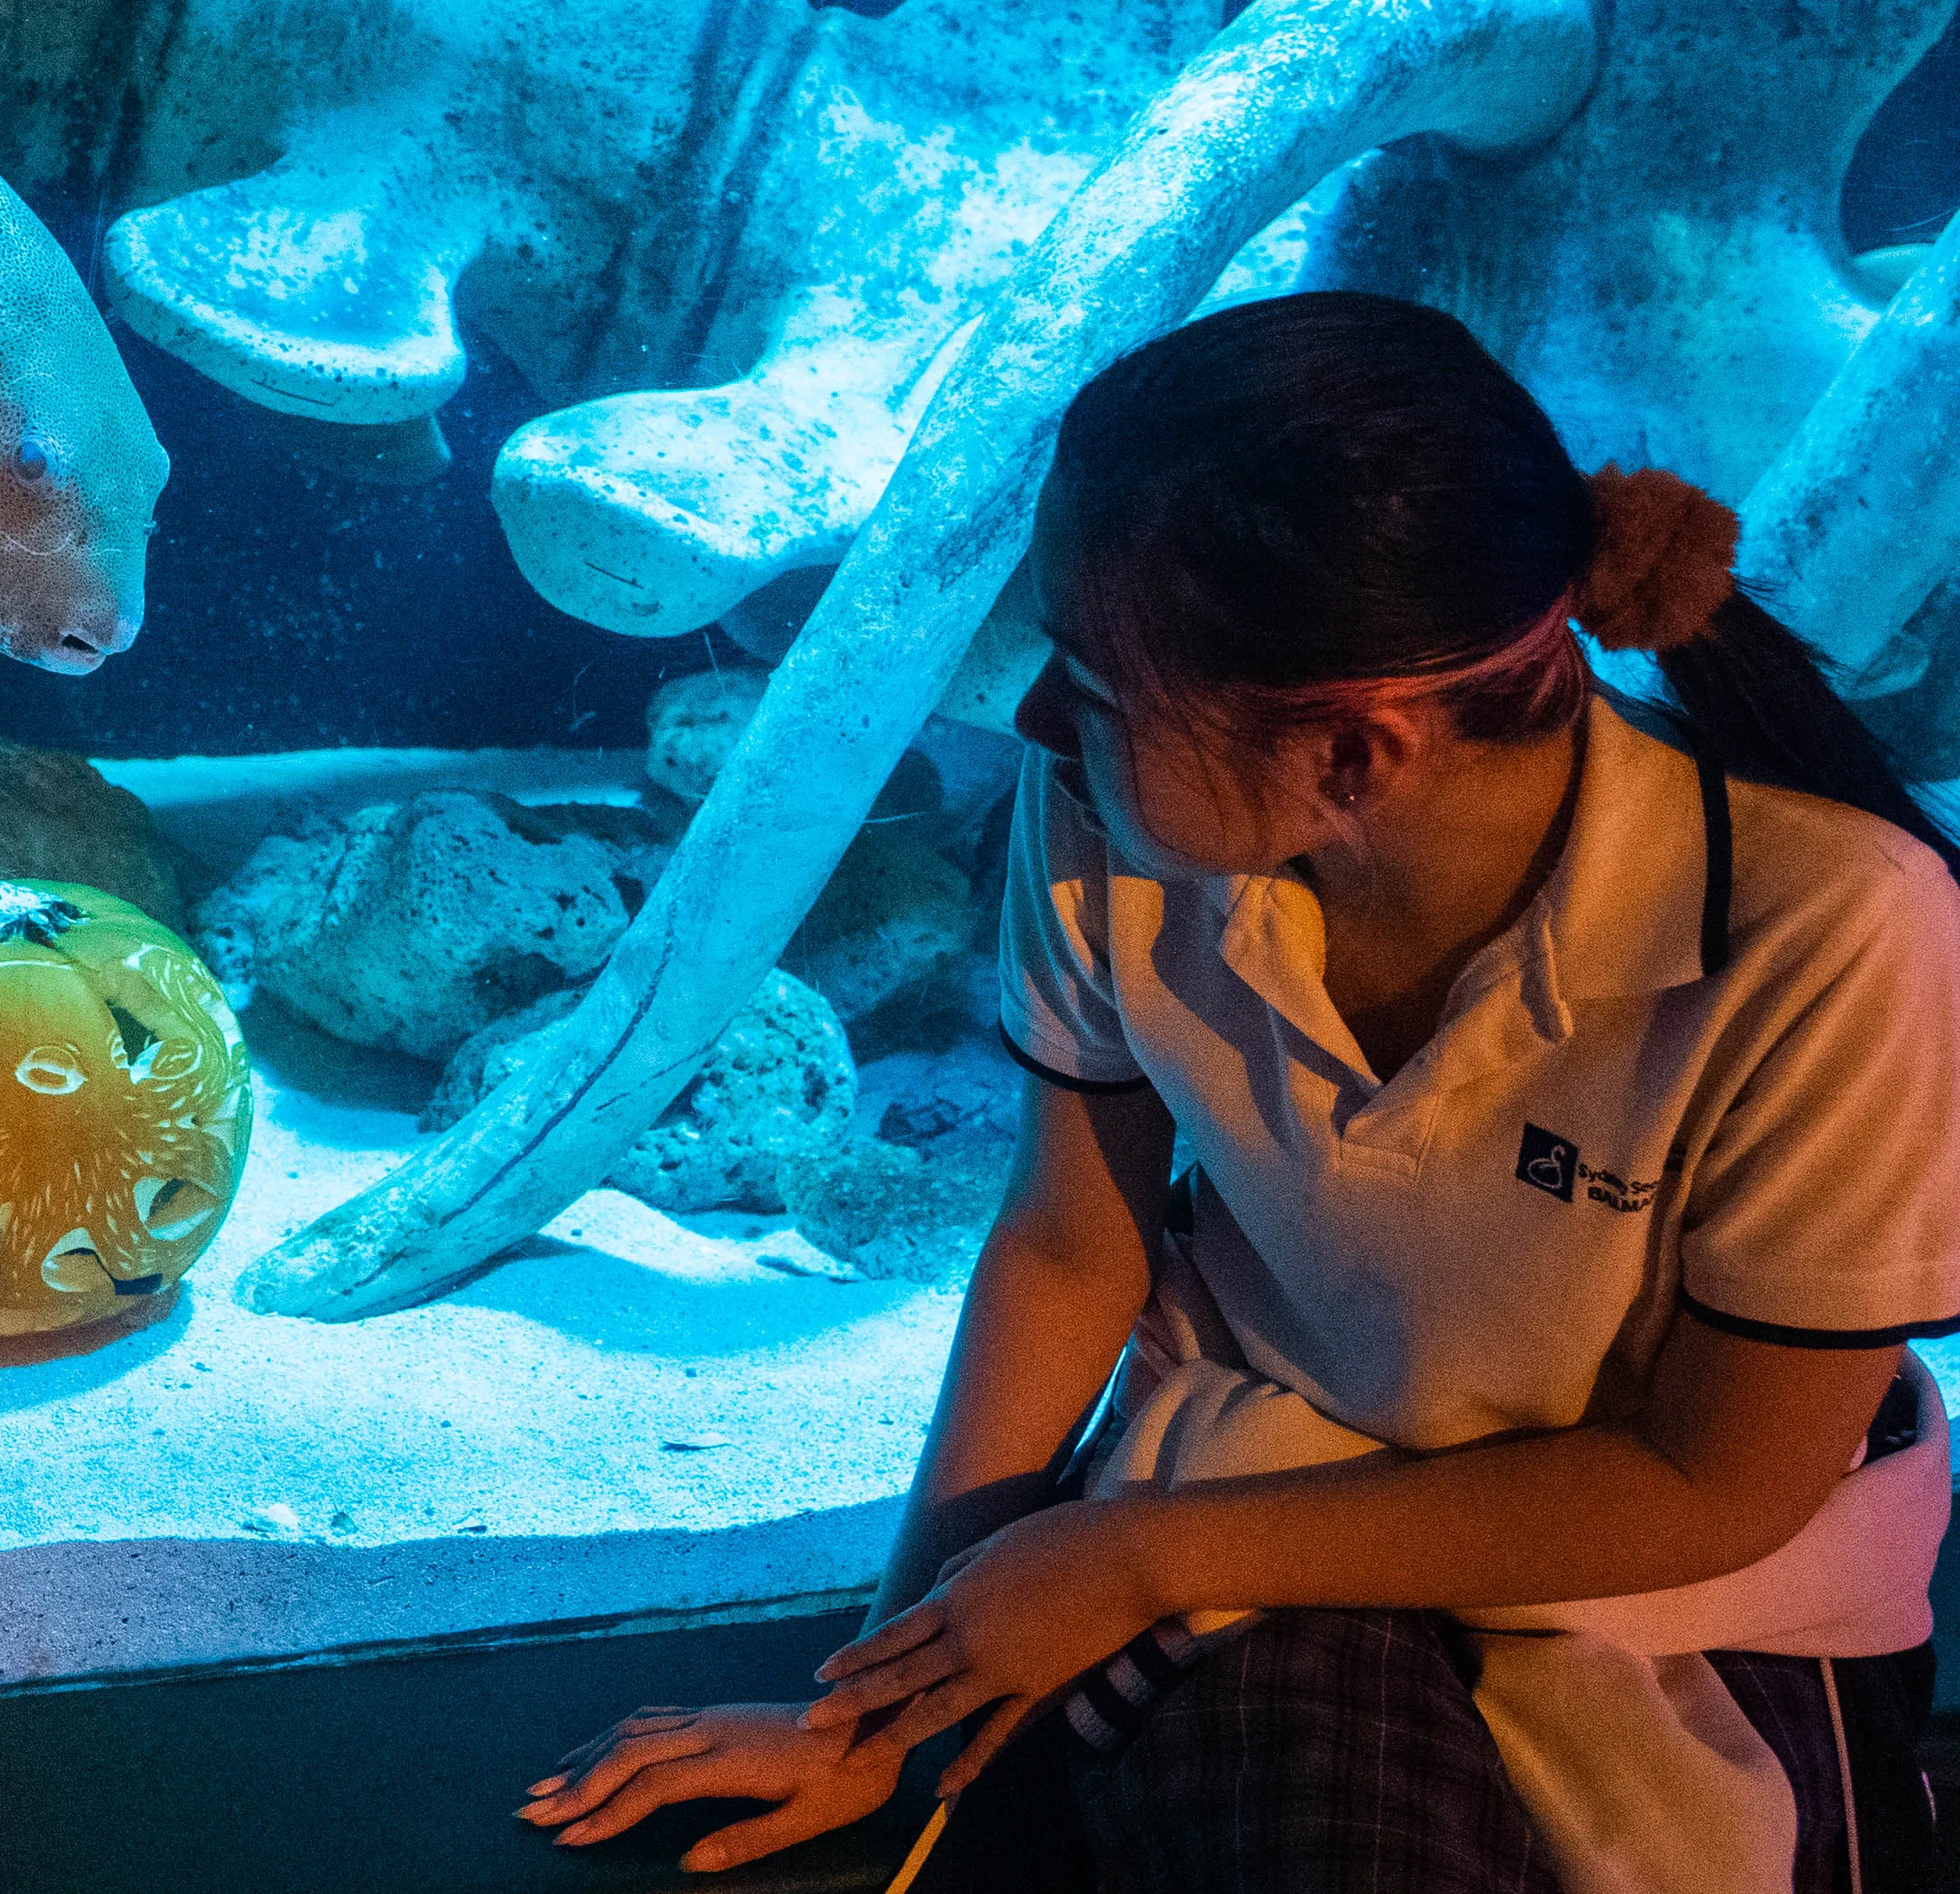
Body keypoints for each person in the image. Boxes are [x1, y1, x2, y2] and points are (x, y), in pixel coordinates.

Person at [518, 292, 1960, 1892]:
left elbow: (1720, 1481)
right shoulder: (1111, 819)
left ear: (1352, 757)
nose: (1041, 721)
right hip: (1248, 1503)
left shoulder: (1833, 934)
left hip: (1688, 1596)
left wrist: (1142, 1552)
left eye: (1098, 682)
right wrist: (869, 1710)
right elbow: (1074, 1245)